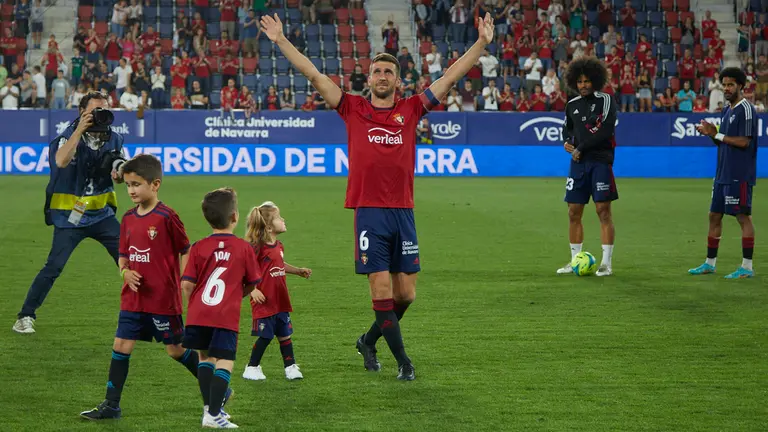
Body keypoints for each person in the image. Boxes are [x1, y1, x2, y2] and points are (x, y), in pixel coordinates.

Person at [259, 11, 496, 380]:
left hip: (403, 211)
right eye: (377, 72)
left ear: (397, 81)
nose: (382, 77)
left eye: (388, 72)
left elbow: (450, 76)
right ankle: (404, 363)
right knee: (382, 291)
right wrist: (280, 40)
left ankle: (368, 340)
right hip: (369, 212)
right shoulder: (352, 108)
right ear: (368, 79)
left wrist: (481, 43)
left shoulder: (411, 109)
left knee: (406, 296)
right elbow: (314, 74)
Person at [79, 154, 208, 419]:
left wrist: (186, 282)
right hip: (133, 298)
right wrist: (125, 273)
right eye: (128, 185)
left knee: (175, 350)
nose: (131, 190)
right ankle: (111, 405)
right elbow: (123, 256)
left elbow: (186, 250)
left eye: (137, 184)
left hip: (162, 298)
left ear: (155, 184)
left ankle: (217, 386)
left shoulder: (167, 217)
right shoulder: (127, 218)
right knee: (121, 345)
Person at [12, 92, 126, 334]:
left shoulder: (114, 138)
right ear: (81, 113)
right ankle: (25, 316)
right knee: (53, 267)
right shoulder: (66, 137)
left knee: (128, 262)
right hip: (69, 218)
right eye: (93, 111)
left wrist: (119, 173)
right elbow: (62, 161)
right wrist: (79, 131)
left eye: (103, 109)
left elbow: (117, 174)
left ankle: (141, 315)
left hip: (103, 216)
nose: (99, 115)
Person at [181, 188, 263, 428]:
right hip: (224, 316)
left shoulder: (198, 247)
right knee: (225, 361)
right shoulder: (243, 248)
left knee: (205, 358)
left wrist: (193, 307)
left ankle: (209, 410)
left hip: (198, 314)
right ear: (235, 217)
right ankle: (214, 415)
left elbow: (186, 284)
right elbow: (253, 283)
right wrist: (237, 294)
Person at [689, 68, 758, 279]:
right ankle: (710, 263)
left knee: (742, 216)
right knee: (714, 215)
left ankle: (747, 267)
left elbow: (744, 142)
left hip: (739, 173)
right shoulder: (727, 110)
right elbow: (722, 141)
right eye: (724, 85)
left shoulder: (746, 109)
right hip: (722, 173)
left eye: (730, 85)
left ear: (740, 86)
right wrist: (711, 133)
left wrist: (716, 133)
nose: (727, 89)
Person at [558, 56, 618, 277]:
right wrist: (568, 143)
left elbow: (605, 131)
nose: (583, 85)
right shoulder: (571, 105)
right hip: (578, 163)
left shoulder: (606, 100)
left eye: (586, 81)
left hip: (600, 161)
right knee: (573, 212)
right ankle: (575, 260)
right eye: (579, 82)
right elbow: (568, 130)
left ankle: (606, 263)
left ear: (595, 80)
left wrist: (580, 147)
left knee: (603, 211)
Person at [242, 202, 312, 381]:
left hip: (280, 299)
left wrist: (297, 271)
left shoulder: (278, 246)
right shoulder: (257, 247)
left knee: (285, 334)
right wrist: (253, 290)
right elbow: (245, 270)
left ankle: (290, 367)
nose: (283, 220)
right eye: (279, 218)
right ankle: (251, 367)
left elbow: (279, 264)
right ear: (269, 226)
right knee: (265, 336)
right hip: (264, 300)